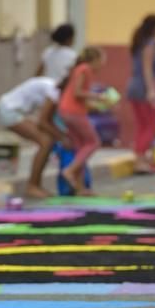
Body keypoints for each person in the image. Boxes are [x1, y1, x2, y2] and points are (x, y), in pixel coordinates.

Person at [0, 77, 69, 198]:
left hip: (15, 110)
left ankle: (36, 184)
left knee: (48, 140)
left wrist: (61, 135)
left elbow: (49, 122)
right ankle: (32, 185)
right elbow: (43, 122)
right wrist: (62, 138)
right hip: (9, 110)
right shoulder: (54, 92)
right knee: (46, 142)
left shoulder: (53, 89)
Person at [58, 47, 106, 196]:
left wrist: (96, 106)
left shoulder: (80, 69)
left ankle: (79, 188)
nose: (102, 65)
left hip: (68, 111)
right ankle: (70, 170)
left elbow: (78, 97)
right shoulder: (84, 69)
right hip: (73, 112)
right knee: (93, 142)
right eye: (101, 61)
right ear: (95, 60)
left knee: (80, 149)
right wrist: (96, 96)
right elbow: (77, 93)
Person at [128, 14, 155, 174]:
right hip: (143, 88)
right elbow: (147, 69)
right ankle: (140, 160)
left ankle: (141, 159)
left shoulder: (139, 43)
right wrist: (151, 91)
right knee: (152, 126)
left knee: (143, 126)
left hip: (135, 86)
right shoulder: (150, 44)